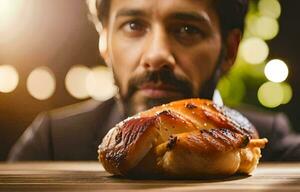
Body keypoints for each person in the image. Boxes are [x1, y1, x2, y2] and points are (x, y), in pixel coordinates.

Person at [8, 0, 300, 161]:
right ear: (105, 43)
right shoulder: (52, 144)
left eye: (187, 28)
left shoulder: (272, 142)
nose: (157, 55)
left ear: (230, 51)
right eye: (134, 26)